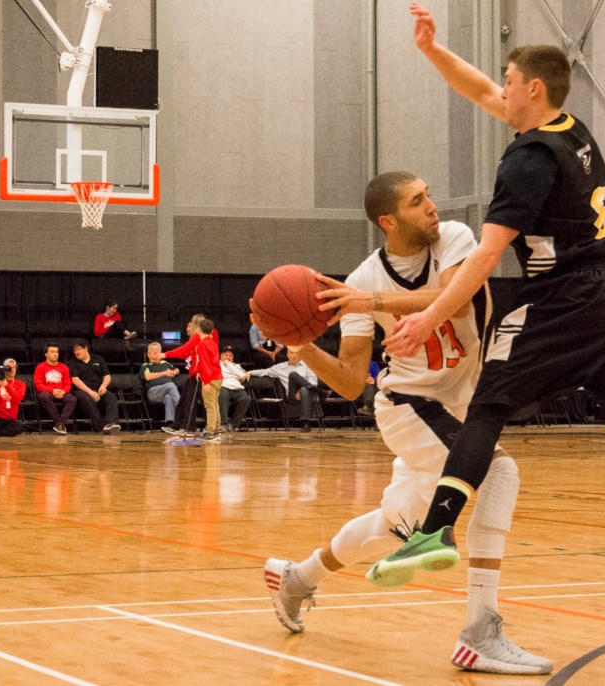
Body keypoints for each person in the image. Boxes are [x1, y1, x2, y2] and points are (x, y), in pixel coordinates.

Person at [370, 4, 605, 636]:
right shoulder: (571, 131)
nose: (500, 87)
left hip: (564, 298)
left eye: (509, 81)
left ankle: (434, 531)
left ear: (532, 89)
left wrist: (429, 316)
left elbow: (484, 256)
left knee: (486, 406)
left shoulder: (526, 162)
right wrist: (433, 51)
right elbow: (481, 90)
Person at [257, 170, 551, 675]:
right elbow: (352, 382)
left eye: (429, 194)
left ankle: (297, 578)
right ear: (389, 221)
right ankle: (481, 632)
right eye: (418, 202)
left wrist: (368, 303)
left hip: (462, 402)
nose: (432, 206)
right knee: (500, 474)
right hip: (410, 405)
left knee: (393, 527)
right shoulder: (361, 280)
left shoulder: (453, 240)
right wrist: (305, 348)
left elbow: (451, 295)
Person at [163, 314, 217, 437]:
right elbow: (186, 353)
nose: (187, 328)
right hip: (194, 373)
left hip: (200, 374)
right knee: (186, 400)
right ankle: (180, 425)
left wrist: (164, 355)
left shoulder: (199, 339)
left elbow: (199, 357)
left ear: (197, 326)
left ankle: (193, 427)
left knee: (196, 402)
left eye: (190, 325)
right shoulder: (197, 339)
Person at [249, 349, 321, 432]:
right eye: (292, 353)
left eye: (296, 353)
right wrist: (250, 372)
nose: (294, 355)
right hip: (292, 395)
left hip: (308, 394)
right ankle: (322, 393)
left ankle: (306, 424)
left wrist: (301, 390)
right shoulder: (281, 367)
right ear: (287, 354)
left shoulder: (307, 366)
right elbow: (265, 371)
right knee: (293, 375)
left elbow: (314, 381)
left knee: (304, 389)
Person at [69, 341, 121, 434]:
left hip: (98, 387)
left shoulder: (98, 359)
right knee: (87, 398)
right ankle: (100, 426)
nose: (76, 352)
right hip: (81, 389)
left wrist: (104, 386)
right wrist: (90, 392)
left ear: (86, 348)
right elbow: (75, 380)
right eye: (75, 350)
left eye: (78, 349)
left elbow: (107, 376)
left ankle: (111, 423)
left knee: (111, 397)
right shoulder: (72, 362)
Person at [33, 343, 77, 434]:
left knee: (72, 399)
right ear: (46, 354)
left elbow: (68, 384)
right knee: (44, 396)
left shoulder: (64, 367)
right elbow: (38, 385)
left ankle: (60, 424)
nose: (55, 354)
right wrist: (52, 391)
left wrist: (63, 392)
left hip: (61, 392)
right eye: (52, 352)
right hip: (47, 392)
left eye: (57, 352)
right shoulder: (40, 367)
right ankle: (58, 422)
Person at [193, 319, 222, 442]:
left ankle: (210, 432)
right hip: (218, 376)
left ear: (199, 329)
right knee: (214, 403)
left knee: (209, 405)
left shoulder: (202, 344)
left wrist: (206, 381)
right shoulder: (212, 342)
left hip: (211, 377)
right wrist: (199, 371)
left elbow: (205, 363)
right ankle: (216, 429)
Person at [140, 341, 180, 431]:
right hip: (153, 392)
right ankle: (182, 408)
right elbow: (147, 377)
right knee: (171, 385)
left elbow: (176, 369)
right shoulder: (145, 366)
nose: (155, 352)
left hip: (166, 392)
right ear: (148, 354)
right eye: (152, 350)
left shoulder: (165, 363)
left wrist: (174, 372)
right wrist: (165, 373)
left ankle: (170, 424)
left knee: (169, 397)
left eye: (157, 350)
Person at [218, 346, 252, 432]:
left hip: (237, 388)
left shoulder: (237, 366)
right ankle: (223, 423)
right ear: (221, 356)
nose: (228, 357)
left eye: (230, 356)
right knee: (223, 395)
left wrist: (229, 365)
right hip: (223, 386)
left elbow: (243, 376)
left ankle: (233, 425)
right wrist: (235, 375)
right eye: (226, 355)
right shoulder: (217, 364)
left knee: (246, 399)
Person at [0, 359, 26, 437]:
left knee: (18, 428)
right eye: (9, 368)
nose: (12, 370)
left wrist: (6, 385)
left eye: (14, 367)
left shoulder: (21, 384)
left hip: (11, 419)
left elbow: (18, 398)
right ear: (5, 369)